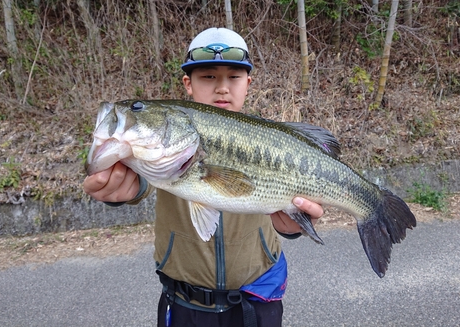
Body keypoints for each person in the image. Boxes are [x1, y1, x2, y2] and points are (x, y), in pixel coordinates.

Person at [83, 27, 324, 327]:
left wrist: (293, 225)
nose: (222, 88)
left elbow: (290, 213)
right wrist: (120, 189)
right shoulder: (158, 154)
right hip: (184, 303)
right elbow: (138, 182)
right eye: (208, 76)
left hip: (256, 299)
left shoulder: (268, 137)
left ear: (248, 83)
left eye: (234, 77)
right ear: (188, 83)